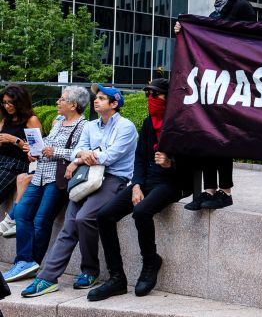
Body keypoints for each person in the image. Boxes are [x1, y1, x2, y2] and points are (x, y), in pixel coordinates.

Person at [21, 84, 138, 297]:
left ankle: (90, 270)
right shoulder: (91, 126)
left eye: (102, 98)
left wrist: (85, 156)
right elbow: (77, 151)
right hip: (87, 176)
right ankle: (46, 278)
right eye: (97, 97)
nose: (96, 100)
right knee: (69, 224)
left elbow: (112, 155)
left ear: (114, 104)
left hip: (114, 179)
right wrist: (82, 156)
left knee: (84, 218)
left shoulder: (126, 126)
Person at [88, 78, 193, 301]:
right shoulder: (148, 123)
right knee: (105, 215)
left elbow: (194, 163)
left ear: (170, 98)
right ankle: (117, 278)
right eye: (148, 95)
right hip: (146, 181)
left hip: (172, 184)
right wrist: (135, 184)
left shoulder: (182, 124)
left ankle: (150, 260)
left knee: (141, 212)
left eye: (156, 95)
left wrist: (171, 163)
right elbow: (140, 159)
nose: (151, 99)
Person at [175, 0, 256, 211]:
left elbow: (248, 40)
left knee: (221, 136)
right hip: (213, 82)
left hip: (231, 81)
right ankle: (208, 190)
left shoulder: (242, 7)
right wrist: (184, 30)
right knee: (208, 135)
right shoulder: (215, 14)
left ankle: (225, 190)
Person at [2, 86, 90, 283]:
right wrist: (34, 150)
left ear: (73, 105)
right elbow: (47, 142)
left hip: (58, 179)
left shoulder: (84, 126)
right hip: (40, 173)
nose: (58, 102)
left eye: (62, 99)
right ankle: (23, 261)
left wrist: (54, 151)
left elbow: (80, 152)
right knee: (22, 213)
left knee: (42, 220)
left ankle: (34, 261)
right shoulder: (58, 120)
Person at [0, 85, 42, 236]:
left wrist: (15, 140)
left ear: (20, 101)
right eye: (4, 102)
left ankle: (11, 219)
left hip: (16, 165)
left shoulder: (31, 120)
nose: (7, 106)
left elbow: (37, 150)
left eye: (10, 102)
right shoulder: (6, 119)